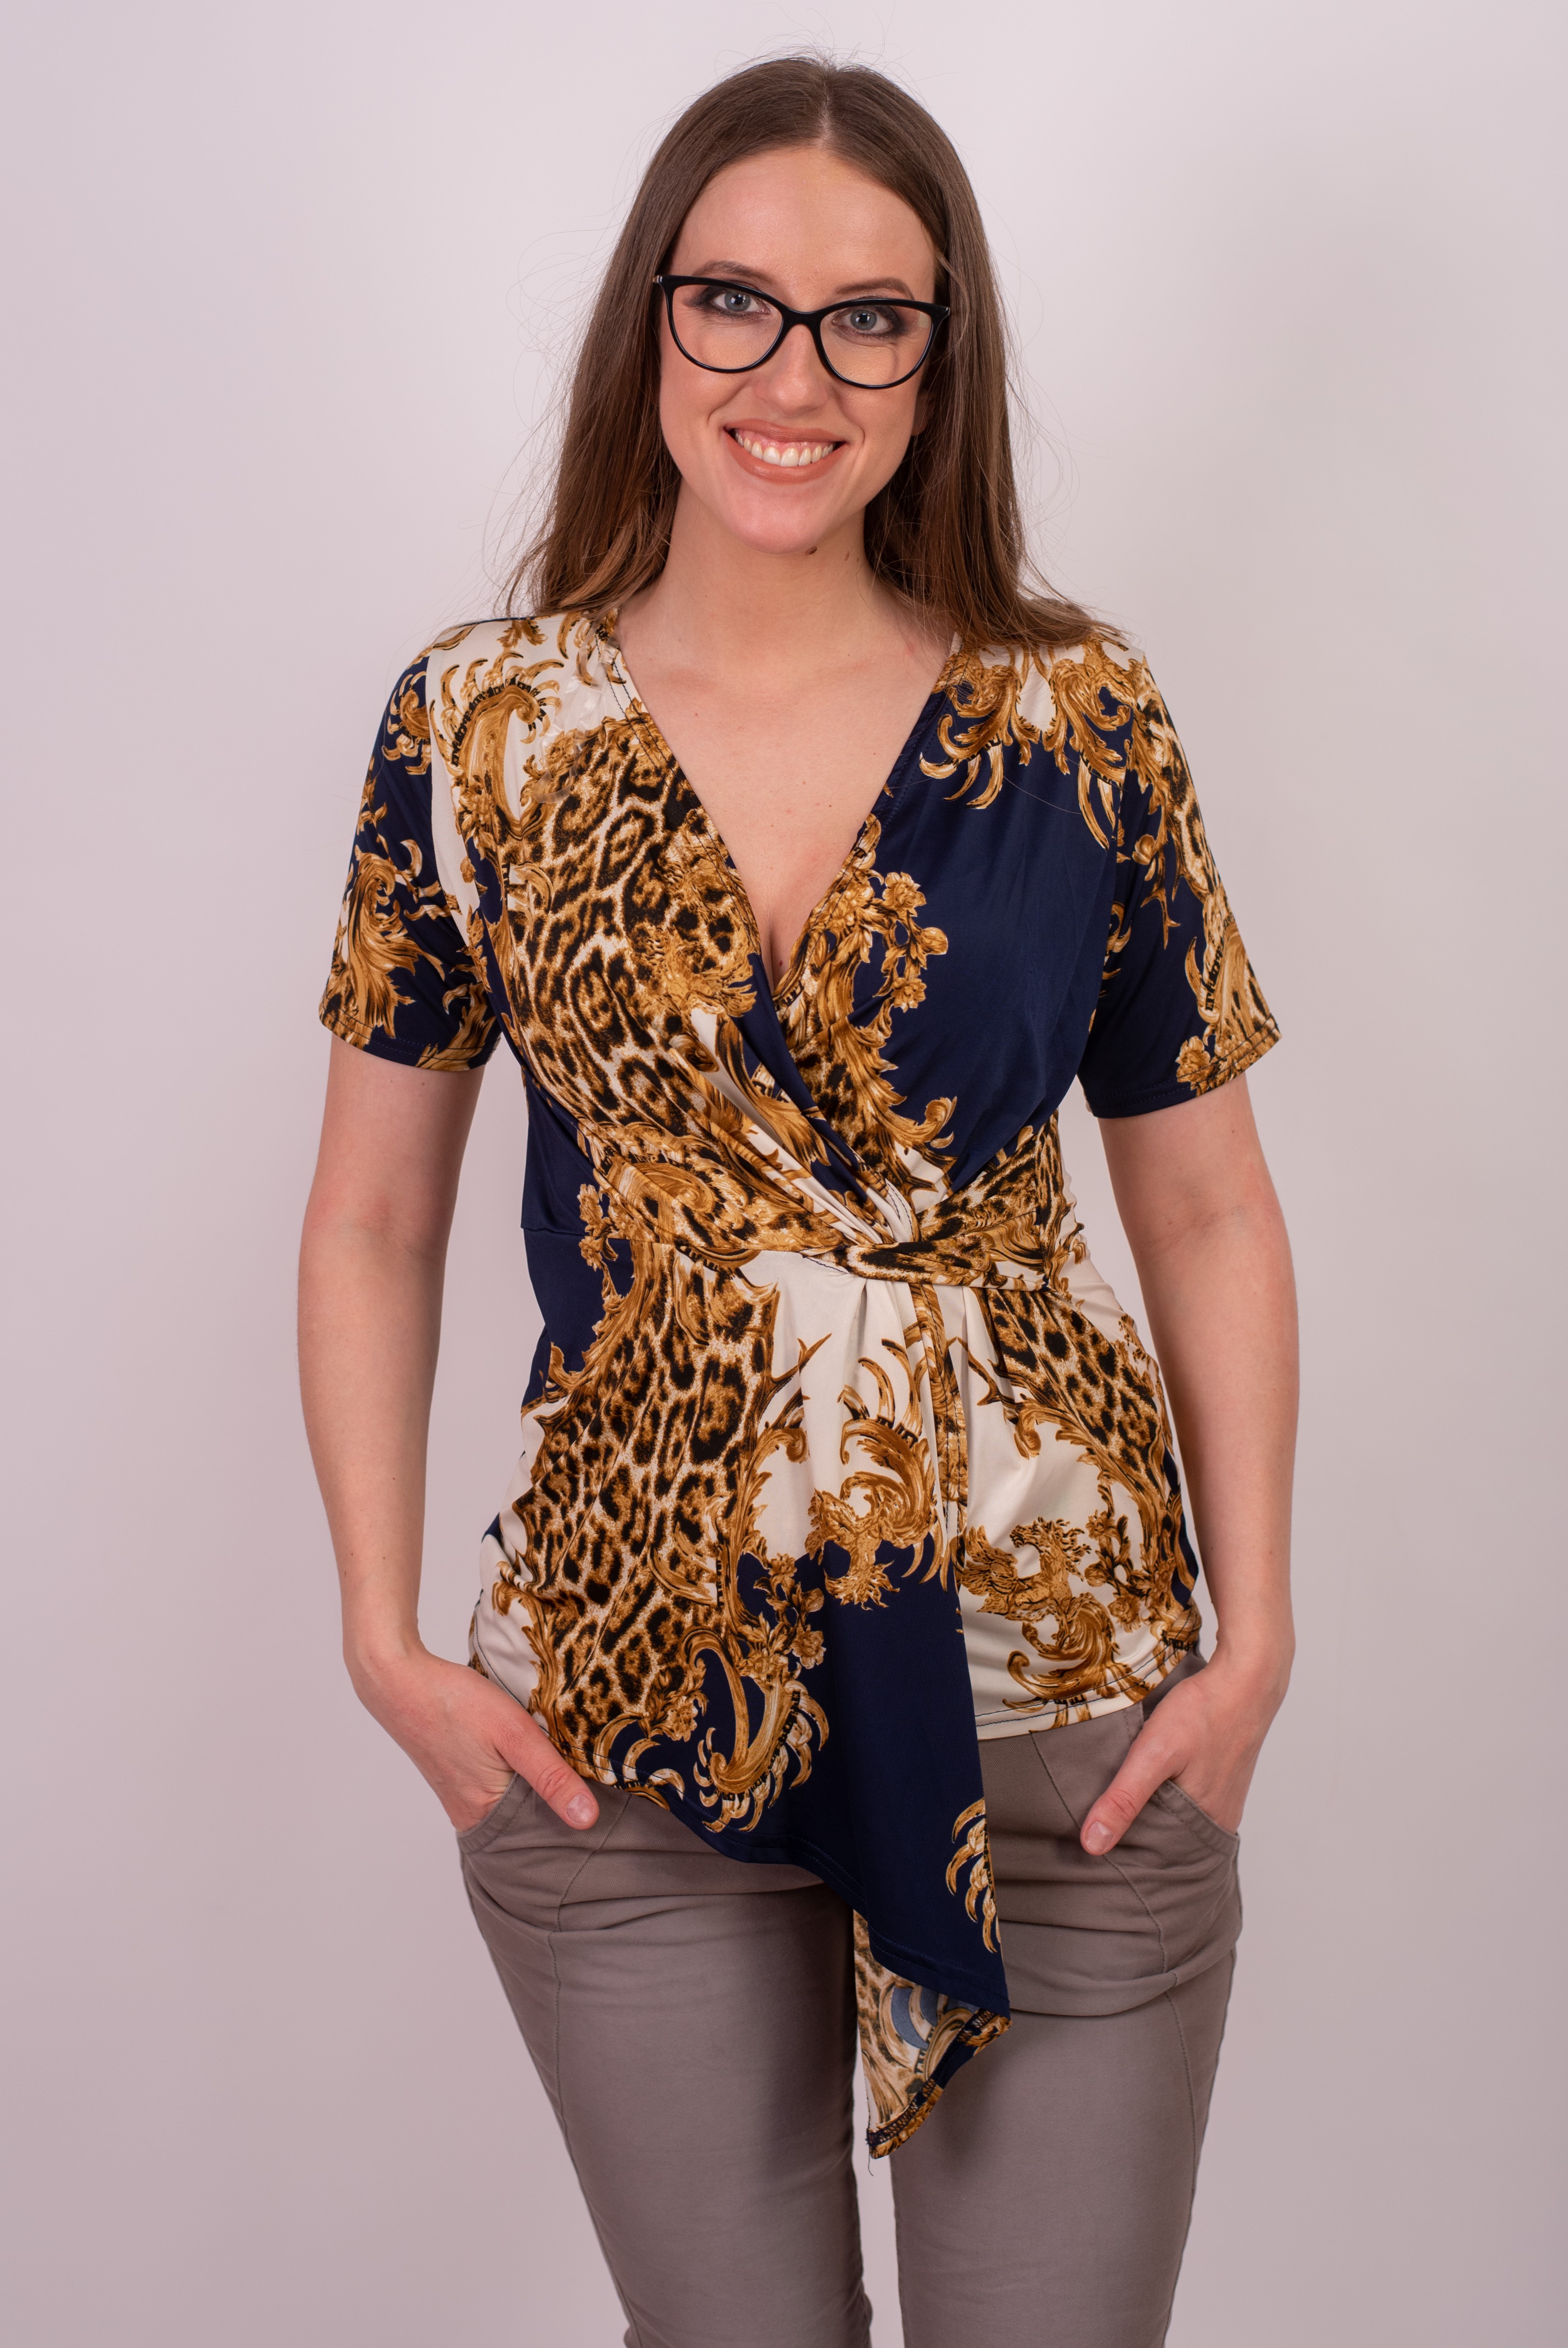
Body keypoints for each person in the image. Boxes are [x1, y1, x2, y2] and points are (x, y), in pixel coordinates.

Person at [299, 54, 1297, 2348]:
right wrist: (380, 1637)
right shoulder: (477, 728)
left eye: (871, 320)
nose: (795, 375)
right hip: (630, 1706)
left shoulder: (1081, 720)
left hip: (1067, 1701)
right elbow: (372, 1219)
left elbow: (1210, 1209)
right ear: (652, 320)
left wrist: (1252, 1642)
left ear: (938, 366)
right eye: (735, 301)